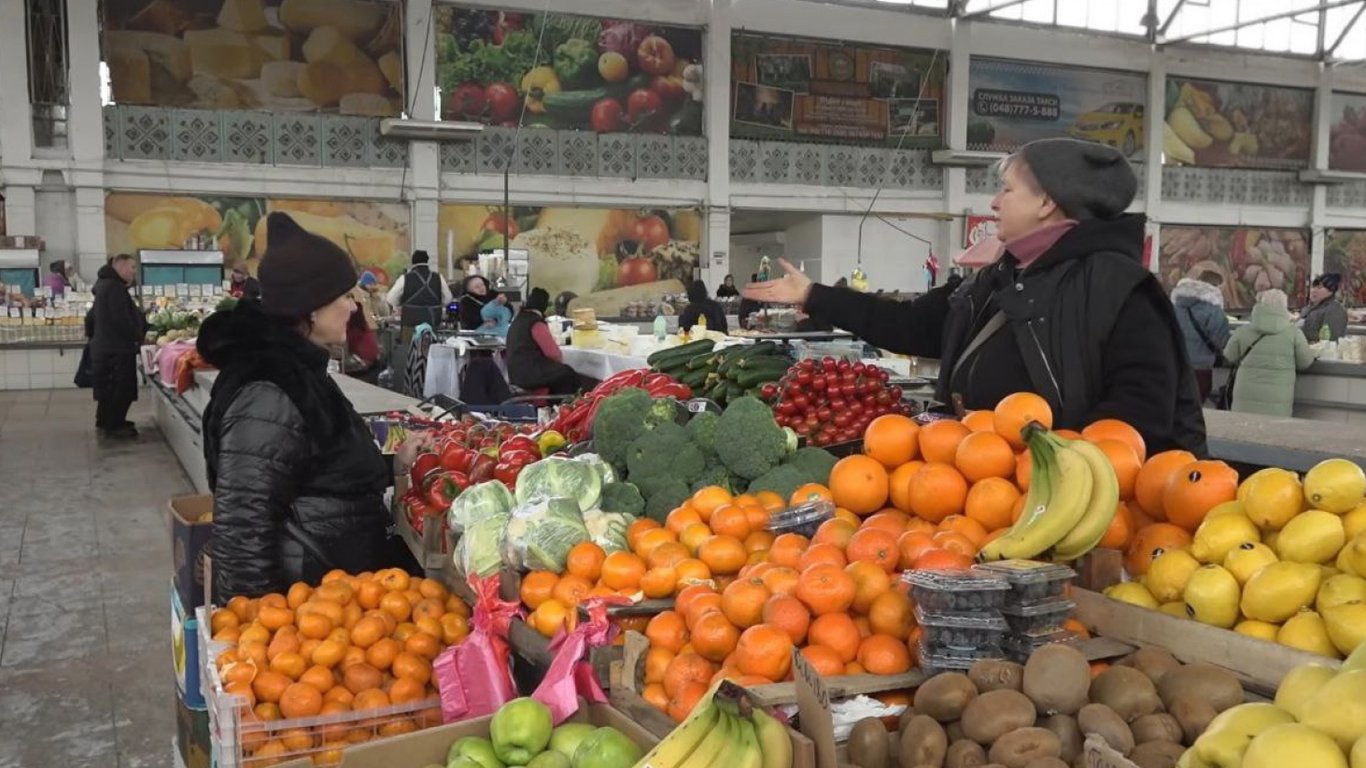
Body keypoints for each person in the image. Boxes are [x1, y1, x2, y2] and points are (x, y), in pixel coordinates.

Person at [745, 138, 1207, 455]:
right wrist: (814, 295)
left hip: (1068, 508)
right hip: (979, 490)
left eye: (1006, 189)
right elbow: (911, 326)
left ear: (1046, 201)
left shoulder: (1119, 288)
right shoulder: (996, 279)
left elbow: (1139, 416)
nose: (994, 202)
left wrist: (1044, 465)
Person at [196, 213, 423, 599]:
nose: (353, 308)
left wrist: (392, 465)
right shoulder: (269, 391)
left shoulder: (299, 371)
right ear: (311, 308)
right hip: (308, 602)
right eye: (345, 297)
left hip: (335, 592)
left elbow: (320, 469)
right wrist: (264, 624)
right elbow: (244, 531)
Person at [1223, 289, 1317, 417]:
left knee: (1243, 426)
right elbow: (1305, 362)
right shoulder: (1294, 333)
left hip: (1246, 392)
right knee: (1274, 428)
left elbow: (1229, 356)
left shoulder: (1243, 331)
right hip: (1278, 394)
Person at [90, 254, 147, 439]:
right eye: (132, 267)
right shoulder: (115, 288)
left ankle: (105, 420)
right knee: (120, 388)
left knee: (107, 388)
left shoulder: (103, 285)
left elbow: (90, 318)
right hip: (117, 348)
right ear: (121, 268)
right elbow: (120, 319)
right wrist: (138, 336)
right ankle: (115, 425)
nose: (134, 271)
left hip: (105, 345)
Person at [1171, 269, 1231, 403]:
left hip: (1175, 363)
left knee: (1175, 403)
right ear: (1216, 286)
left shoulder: (1176, 305)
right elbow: (1221, 340)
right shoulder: (1213, 310)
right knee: (1195, 404)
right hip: (1200, 366)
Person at [507, 287, 579, 396]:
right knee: (567, 373)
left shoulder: (517, 320)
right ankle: (559, 404)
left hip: (515, 374)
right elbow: (554, 354)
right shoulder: (536, 323)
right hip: (530, 375)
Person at [386, 250, 452, 338]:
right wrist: (436, 303)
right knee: (431, 345)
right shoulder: (438, 277)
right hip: (432, 321)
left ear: (413, 262)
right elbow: (448, 299)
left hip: (410, 321)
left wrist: (401, 304)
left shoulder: (405, 278)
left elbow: (391, 299)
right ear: (427, 261)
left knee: (408, 345)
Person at [1301, 273, 1348, 342]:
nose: (1314, 290)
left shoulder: (1334, 310)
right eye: (1313, 286)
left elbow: (1331, 340)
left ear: (1331, 291)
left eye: (1319, 287)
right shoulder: (1312, 307)